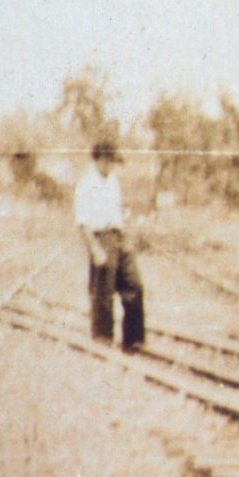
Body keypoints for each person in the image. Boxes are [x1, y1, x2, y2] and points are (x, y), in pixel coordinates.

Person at [74, 138, 145, 351]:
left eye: (114, 161)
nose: (112, 165)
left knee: (134, 285)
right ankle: (102, 337)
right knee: (103, 290)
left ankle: (133, 340)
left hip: (118, 235)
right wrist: (95, 249)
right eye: (109, 160)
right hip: (100, 237)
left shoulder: (112, 180)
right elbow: (82, 222)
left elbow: (119, 208)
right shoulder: (86, 185)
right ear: (100, 159)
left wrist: (127, 232)